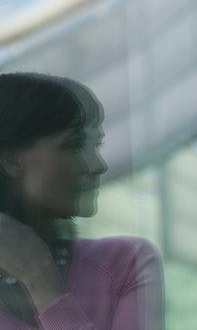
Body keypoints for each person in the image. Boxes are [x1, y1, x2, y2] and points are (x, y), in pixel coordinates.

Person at [0, 72, 164, 329]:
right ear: (11, 160)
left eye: (96, 145)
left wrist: (41, 281)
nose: (99, 165)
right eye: (74, 145)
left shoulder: (126, 263)